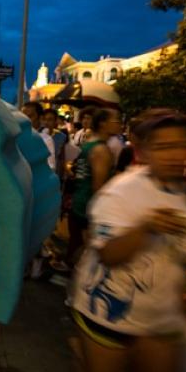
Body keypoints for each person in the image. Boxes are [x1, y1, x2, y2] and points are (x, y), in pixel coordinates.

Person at [69, 113, 186, 372]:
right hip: (106, 315)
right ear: (145, 151)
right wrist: (147, 227)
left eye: (182, 145)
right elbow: (107, 254)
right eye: (163, 147)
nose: (175, 154)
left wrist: (184, 297)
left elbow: (179, 258)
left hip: (160, 319)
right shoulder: (121, 192)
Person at [65, 108, 121, 268]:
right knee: (87, 256)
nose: (120, 124)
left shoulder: (90, 144)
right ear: (103, 124)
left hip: (80, 202)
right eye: (116, 121)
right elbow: (99, 187)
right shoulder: (101, 150)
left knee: (77, 250)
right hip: (89, 208)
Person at [21, 102, 56, 171]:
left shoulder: (46, 139)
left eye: (30, 116)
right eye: (22, 116)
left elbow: (51, 166)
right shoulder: (17, 136)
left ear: (40, 118)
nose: (25, 120)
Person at [42, 108, 68, 179]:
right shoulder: (38, 135)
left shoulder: (61, 136)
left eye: (50, 120)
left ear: (55, 121)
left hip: (55, 173)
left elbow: (62, 157)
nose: (46, 122)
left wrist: (64, 172)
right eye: (44, 119)